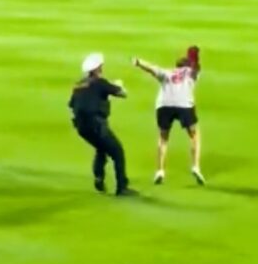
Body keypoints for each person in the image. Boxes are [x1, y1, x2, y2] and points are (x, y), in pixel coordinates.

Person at [132, 45, 205, 186]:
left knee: (163, 138)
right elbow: (196, 67)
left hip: (164, 105)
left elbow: (151, 68)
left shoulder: (167, 72)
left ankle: (160, 171)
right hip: (184, 104)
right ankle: (195, 166)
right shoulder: (191, 73)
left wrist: (138, 62)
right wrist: (194, 56)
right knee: (194, 136)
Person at [69, 53, 138, 196]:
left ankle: (99, 177)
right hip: (96, 124)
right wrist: (118, 85)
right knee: (117, 152)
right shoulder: (100, 82)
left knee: (101, 148)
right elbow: (122, 93)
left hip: (82, 127)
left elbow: (72, 105)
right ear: (97, 69)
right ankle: (122, 187)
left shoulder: (78, 85)